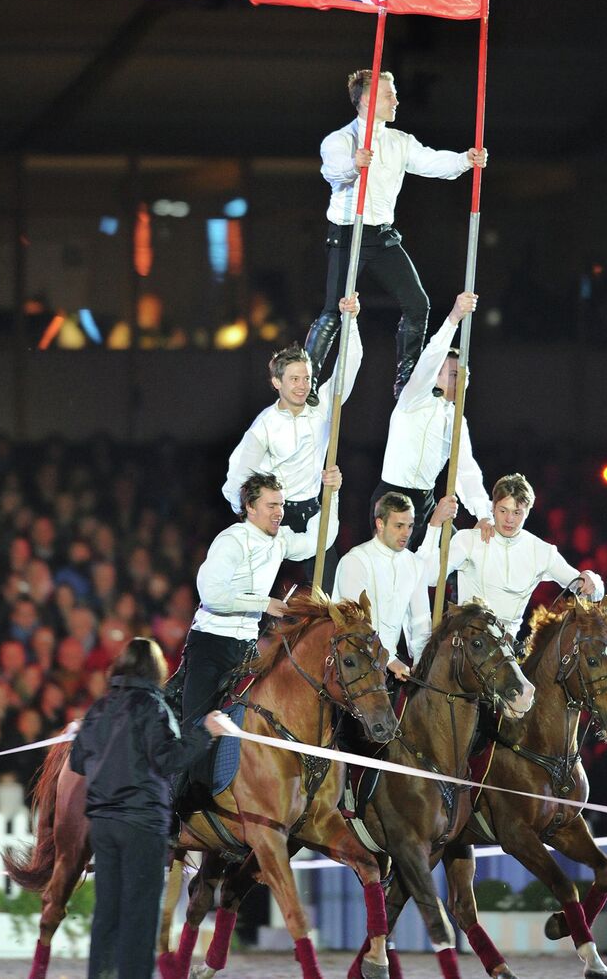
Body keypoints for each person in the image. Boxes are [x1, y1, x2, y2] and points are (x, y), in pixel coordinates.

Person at [305, 68, 488, 400]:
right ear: (366, 100)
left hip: (382, 235)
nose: (396, 100)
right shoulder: (340, 140)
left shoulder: (399, 141)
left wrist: (466, 160)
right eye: (389, 95)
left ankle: (405, 379)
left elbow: (432, 163)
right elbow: (333, 173)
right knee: (333, 310)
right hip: (349, 234)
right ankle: (309, 380)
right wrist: (353, 165)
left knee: (418, 304)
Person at [69, 637, 222, 979]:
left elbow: (79, 762)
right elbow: (168, 758)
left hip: (104, 824)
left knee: (107, 910)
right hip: (141, 823)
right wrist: (205, 734)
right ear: (156, 669)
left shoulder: (99, 708)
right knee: (139, 913)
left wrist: (83, 734)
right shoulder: (153, 706)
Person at [182, 468, 342, 736]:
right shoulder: (232, 540)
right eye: (271, 505)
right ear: (250, 507)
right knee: (198, 729)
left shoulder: (280, 539)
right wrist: (263, 603)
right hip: (211, 645)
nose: (279, 511)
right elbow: (211, 595)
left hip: (246, 649)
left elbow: (320, 539)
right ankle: (188, 779)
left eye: (280, 504)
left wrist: (332, 494)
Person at [222, 294, 360, 589]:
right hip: (276, 517)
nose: (302, 386)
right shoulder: (265, 426)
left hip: (313, 513)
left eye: (306, 378)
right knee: (257, 594)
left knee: (330, 597)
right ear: (277, 382)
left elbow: (347, 369)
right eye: (294, 379)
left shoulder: (322, 408)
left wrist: (351, 321)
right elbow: (235, 478)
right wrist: (254, 515)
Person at [370, 290, 491, 552]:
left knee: (460, 555)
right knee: (398, 567)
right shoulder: (413, 399)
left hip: (425, 503)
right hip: (393, 496)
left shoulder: (457, 419)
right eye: (453, 374)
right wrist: (455, 317)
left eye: (464, 375)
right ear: (435, 377)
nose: (460, 381)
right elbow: (430, 358)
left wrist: (483, 514)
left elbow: (466, 471)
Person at [418, 474, 605, 643]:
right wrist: (435, 524)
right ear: (492, 508)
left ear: (528, 512)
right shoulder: (470, 540)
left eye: (517, 513)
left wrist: (592, 578)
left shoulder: (541, 551)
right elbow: (431, 577)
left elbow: (587, 589)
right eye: (503, 511)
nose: (509, 519)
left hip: (506, 651)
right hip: (466, 643)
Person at [333, 491, 448, 681]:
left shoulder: (415, 565)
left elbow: (420, 620)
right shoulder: (356, 561)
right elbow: (357, 621)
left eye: (410, 526)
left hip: (388, 664)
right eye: (399, 526)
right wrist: (389, 659)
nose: (406, 533)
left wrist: (422, 662)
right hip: (350, 662)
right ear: (380, 524)